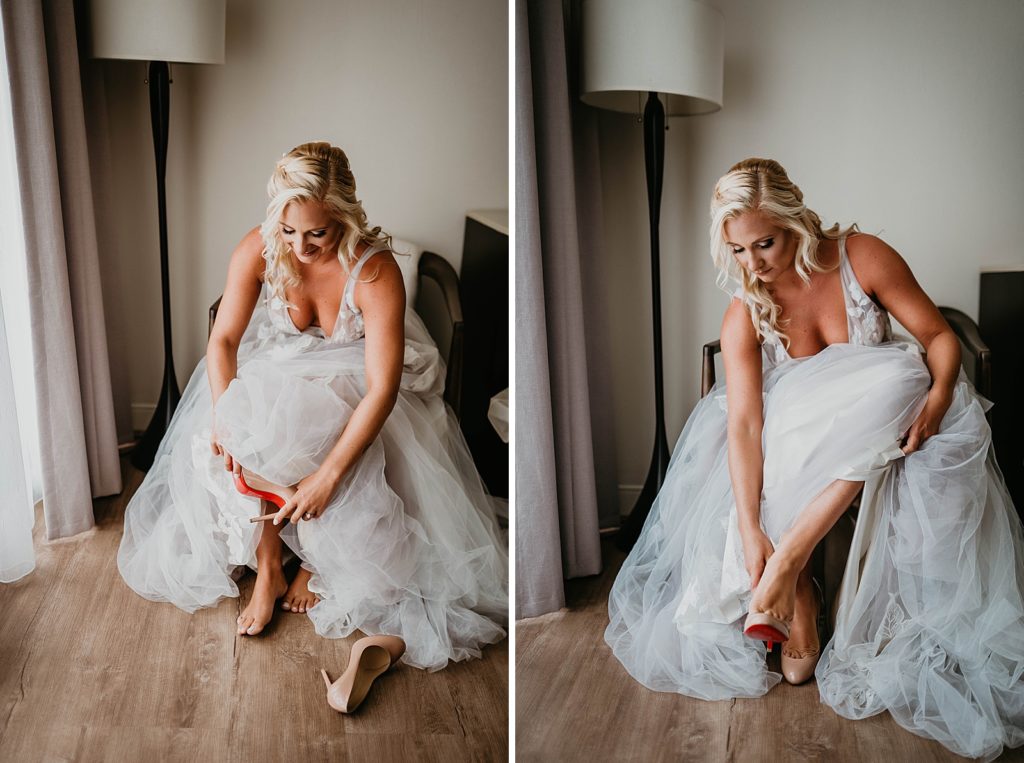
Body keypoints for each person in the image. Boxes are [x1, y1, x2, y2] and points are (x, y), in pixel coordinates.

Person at [605, 158, 1024, 760]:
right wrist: (749, 527)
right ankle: (794, 583)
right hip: (792, 440)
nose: (754, 263)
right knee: (793, 433)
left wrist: (935, 399)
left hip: (888, 414)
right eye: (738, 249)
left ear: (792, 213)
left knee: (899, 375)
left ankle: (791, 566)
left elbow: (937, 337)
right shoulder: (745, 309)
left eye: (765, 242)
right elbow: (746, 424)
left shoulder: (863, 256)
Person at [118, 142, 508, 672]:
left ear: (343, 218)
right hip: (278, 371)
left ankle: (318, 564)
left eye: (316, 233)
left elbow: (381, 389)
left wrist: (327, 475)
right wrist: (223, 418)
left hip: (361, 382)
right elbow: (224, 341)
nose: (299, 247)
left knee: (317, 426)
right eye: (287, 230)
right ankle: (270, 560)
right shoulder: (258, 247)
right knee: (258, 419)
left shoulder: (374, 270)